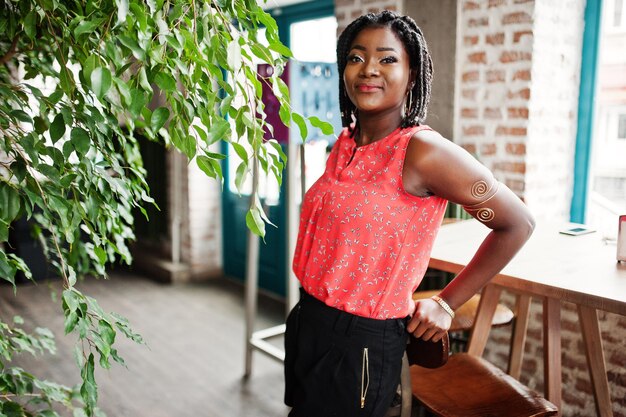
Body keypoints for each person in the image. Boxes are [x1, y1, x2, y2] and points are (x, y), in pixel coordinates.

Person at [284, 10, 535, 417]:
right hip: (309, 321)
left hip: (360, 342)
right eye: (356, 57)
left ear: (413, 75)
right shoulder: (345, 141)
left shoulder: (423, 152)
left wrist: (448, 303)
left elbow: (517, 223)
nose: (368, 70)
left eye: (387, 59)